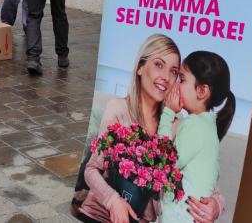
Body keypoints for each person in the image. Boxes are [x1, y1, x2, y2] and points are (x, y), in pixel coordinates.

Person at [73, 34, 225, 223]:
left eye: (174, 72)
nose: (166, 78)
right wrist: (113, 201)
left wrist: (216, 205)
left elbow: (205, 177)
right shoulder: (118, 109)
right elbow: (91, 169)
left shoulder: (177, 126)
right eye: (159, 65)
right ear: (140, 67)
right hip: (99, 215)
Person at [158, 51, 236, 223]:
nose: (175, 84)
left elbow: (164, 161)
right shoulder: (207, 127)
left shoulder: (193, 125)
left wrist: (168, 112)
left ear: (202, 91)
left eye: (182, 79)